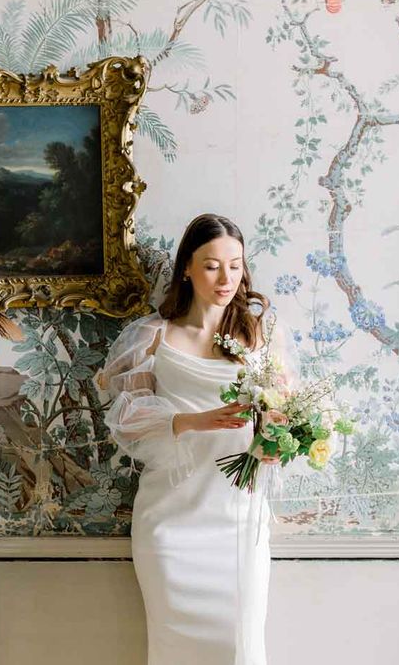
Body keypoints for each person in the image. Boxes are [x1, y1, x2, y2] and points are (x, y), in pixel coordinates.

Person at [96, 213, 298, 665]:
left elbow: (284, 414)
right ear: (186, 268)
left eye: (235, 264)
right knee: (174, 649)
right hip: (171, 522)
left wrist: (275, 438)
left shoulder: (261, 335)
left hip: (238, 518)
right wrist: (194, 420)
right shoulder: (152, 337)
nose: (226, 278)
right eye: (211, 265)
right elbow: (126, 421)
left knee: (241, 649)